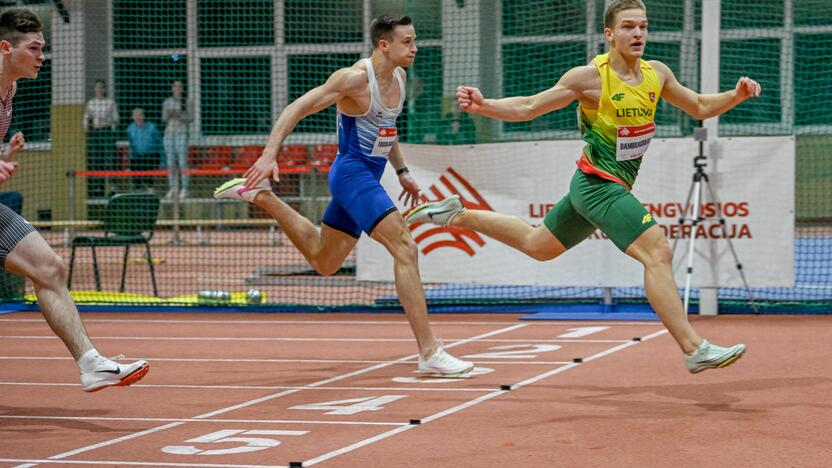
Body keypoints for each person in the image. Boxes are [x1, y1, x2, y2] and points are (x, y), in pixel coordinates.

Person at [407, 0, 760, 374]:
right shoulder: (590, 77)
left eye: (642, 26)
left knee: (536, 245)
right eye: (628, 26)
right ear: (610, 34)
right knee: (658, 251)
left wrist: (735, 95)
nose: (637, 33)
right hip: (598, 185)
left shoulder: (658, 73)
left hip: (595, 187)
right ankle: (693, 347)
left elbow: (701, 106)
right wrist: (485, 105)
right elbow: (529, 106)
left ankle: (454, 215)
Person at [214, 15, 473, 377]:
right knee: (405, 247)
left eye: (414, 41)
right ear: (385, 44)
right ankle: (429, 351)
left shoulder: (398, 76)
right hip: (350, 174)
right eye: (408, 42)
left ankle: (263, 198)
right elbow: (295, 108)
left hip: (370, 175)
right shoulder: (353, 79)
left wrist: (401, 171)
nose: (415, 48)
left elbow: (387, 127)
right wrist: (269, 154)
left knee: (325, 261)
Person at [0, 8, 149, 391]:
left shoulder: (10, 90)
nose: (42, 56)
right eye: (34, 48)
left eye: (43, 48)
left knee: (49, 268)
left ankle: (91, 363)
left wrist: (6, 159)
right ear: (5, 48)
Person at [82, 79, 118, 198]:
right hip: (95, 133)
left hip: (107, 132)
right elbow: (86, 118)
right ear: (95, 89)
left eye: (102, 87)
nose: (100, 90)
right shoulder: (91, 103)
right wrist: (87, 127)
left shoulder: (110, 102)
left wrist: (107, 121)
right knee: (97, 160)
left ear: (105, 89)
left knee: (109, 160)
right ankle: (98, 187)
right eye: (98, 87)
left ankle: (112, 186)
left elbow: (116, 119)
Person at [162, 79, 191, 199]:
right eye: (175, 87)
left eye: (180, 87)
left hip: (181, 133)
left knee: (183, 162)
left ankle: (184, 188)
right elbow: (163, 118)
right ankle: (172, 188)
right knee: (170, 163)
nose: (177, 89)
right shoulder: (167, 102)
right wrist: (169, 114)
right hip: (169, 134)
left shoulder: (187, 101)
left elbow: (191, 117)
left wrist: (179, 115)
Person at [126, 107, 162, 192]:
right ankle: (137, 190)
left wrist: (162, 161)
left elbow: (160, 143)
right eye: (135, 115)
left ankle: (150, 190)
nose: (138, 118)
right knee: (136, 169)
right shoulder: (130, 129)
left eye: (140, 115)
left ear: (144, 116)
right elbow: (130, 146)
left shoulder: (152, 127)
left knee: (147, 169)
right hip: (136, 157)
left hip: (150, 156)